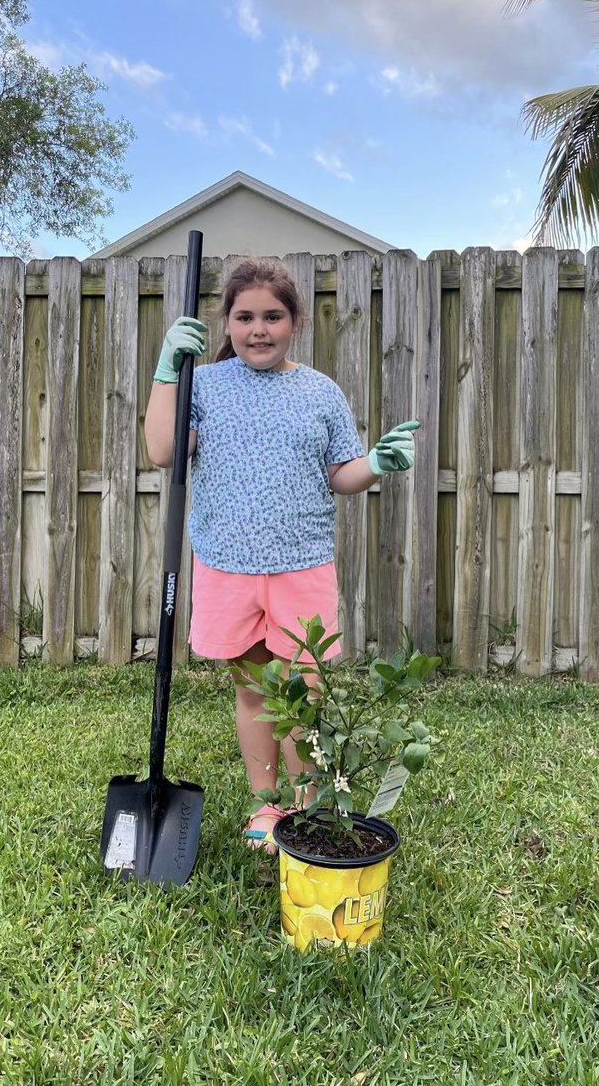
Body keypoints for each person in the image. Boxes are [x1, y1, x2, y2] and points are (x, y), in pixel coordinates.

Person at [144, 258, 418, 853]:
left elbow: (338, 473)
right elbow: (164, 451)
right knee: (252, 689)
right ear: (227, 323)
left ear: (295, 321)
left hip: (301, 564)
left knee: (303, 689)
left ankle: (304, 801)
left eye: (273, 316)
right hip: (227, 564)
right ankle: (265, 806)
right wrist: (168, 372)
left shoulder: (320, 391)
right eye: (245, 317)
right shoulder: (205, 384)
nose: (258, 329)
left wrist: (373, 464)